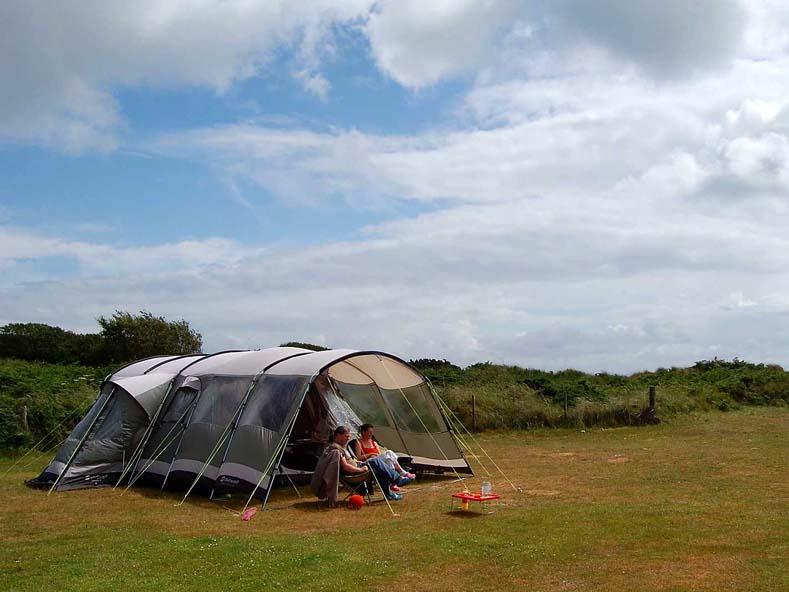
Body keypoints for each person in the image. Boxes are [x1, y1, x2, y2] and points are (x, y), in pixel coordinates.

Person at [353, 424, 415, 492]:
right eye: (369, 432)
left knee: (389, 457)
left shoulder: (374, 443)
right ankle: (401, 474)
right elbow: (359, 457)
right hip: (368, 462)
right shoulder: (359, 442)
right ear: (363, 432)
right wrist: (370, 454)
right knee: (389, 453)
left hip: (378, 461)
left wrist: (376, 455)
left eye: (372, 432)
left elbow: (379, 455)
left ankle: (394, 481)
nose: (371, 434)